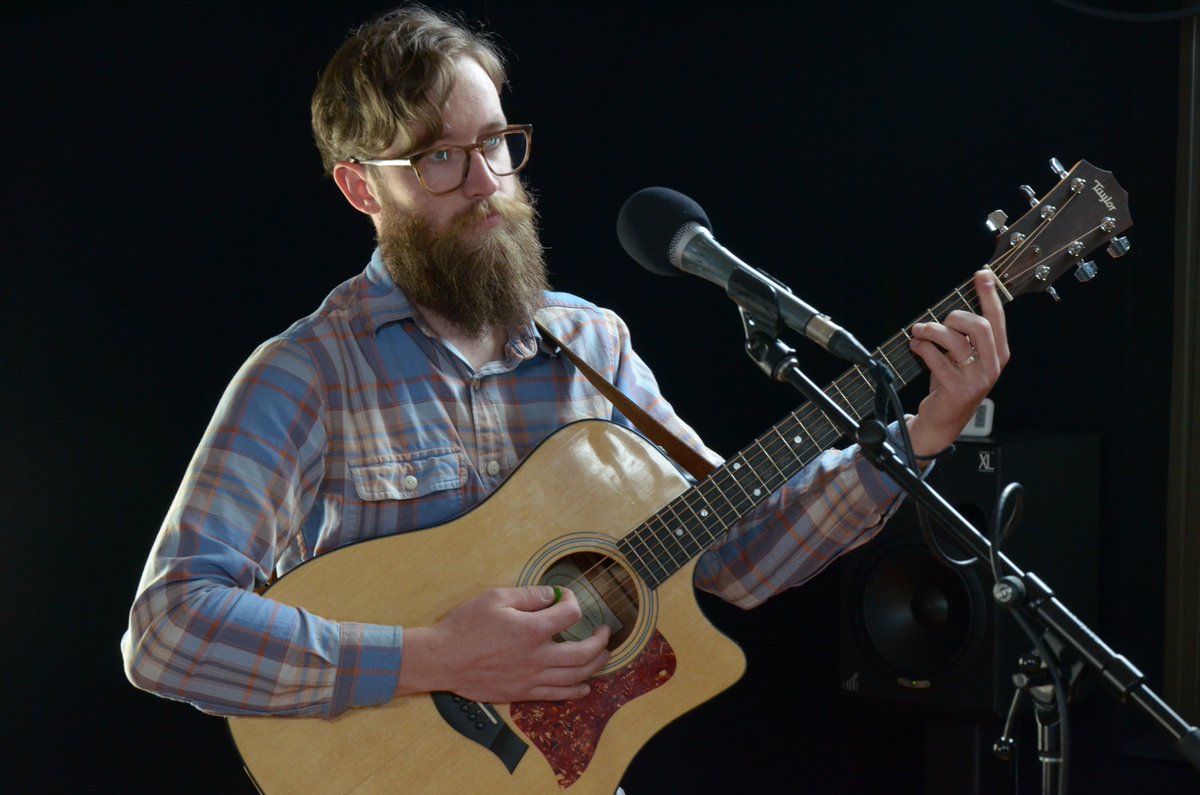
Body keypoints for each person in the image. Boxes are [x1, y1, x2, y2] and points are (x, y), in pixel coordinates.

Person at [123, 0, 1006, 759]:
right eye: (438, 158)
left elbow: (733, 554)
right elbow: (167, 632)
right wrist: (434, 655)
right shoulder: (306, 374)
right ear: (362, 188)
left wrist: (918, 435)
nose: (485, 183)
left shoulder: (591, 344)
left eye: (497, 143)